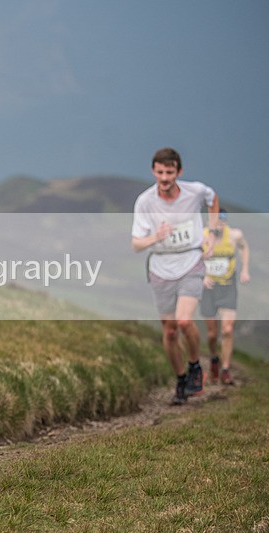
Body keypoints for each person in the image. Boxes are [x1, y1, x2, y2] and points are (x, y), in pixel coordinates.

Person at [131, 147, 219, 405]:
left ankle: (195, 367)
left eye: (169, 172)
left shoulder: (195, 191)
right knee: (169, 332)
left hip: (191, 261)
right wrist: (156, 237)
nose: (165, 177)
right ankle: (181, 379)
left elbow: (213, 199)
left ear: (179, 172)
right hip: (160, 268)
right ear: (153, 171)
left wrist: (211, 233)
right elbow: (136, 244)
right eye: (160, 172)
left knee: (183, 321)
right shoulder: (145, 202)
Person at [201, 208, 250, 385]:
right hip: (208, 288)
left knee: (227, 329)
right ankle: (214, 358)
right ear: (209, 222)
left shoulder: (235, 235)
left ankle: (226, 369)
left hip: (228, 287)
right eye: (215, 221)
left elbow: (244, 247)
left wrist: (245, 269)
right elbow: (192, 258)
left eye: (222, 222)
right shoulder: (201, 236)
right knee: (212, 334)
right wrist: (202, 276)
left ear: (225, 222)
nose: (219, 225)